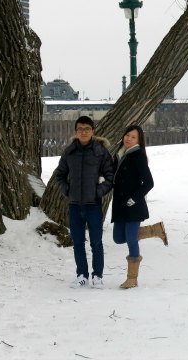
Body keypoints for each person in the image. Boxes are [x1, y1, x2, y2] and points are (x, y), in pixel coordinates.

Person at [56, 116, 114, 289]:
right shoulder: (69, 152)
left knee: (96, 242)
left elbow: (110, 177)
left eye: (87, 128)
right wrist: (67, 190)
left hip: (93, 205)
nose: (83, 132)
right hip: (74, 205)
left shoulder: (100, 152)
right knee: (78, 242)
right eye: (80, 129)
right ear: (76, 131)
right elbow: (59, 175)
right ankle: (82, 274)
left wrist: (98, 192)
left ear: (92, 131)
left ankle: (97, 276)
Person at [111, 124, 167, 289]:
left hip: (133, 206)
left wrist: (134, 198)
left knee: (130, 240)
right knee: (118, 238)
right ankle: (155, 230)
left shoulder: (138, 156)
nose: (128, 139)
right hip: (120, 205)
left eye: (133, 137)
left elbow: (149, 183)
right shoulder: (120, 155)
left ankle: (132, 278)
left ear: (139, 141)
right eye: (127, 135)